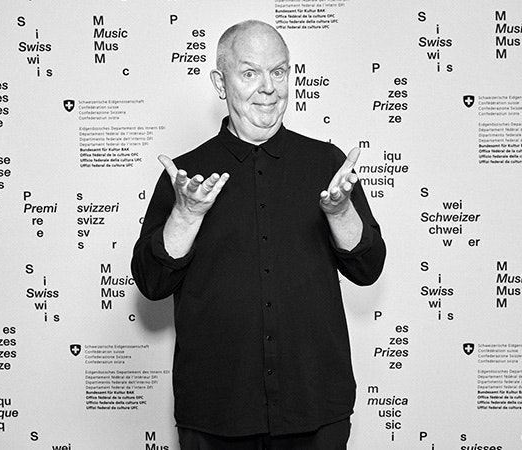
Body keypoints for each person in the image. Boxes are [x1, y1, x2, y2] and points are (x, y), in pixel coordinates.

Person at [131, 19, 386, 449]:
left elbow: (368, 269)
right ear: (220, 82)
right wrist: (187, 216)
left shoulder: (326, 165)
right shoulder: (186, 176)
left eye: (278, 71)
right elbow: (152, 284)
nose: (268, 87)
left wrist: (341, 212)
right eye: (249, 73)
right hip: (216, 411)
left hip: (315, 405)